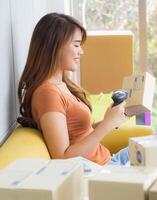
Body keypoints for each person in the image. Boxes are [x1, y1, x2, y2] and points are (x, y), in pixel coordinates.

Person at [17, 13, 130, 166]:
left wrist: (112, 120)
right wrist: (107, 124)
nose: (81, 51)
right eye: (76, 45)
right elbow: (63, 157)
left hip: (110, 161)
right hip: (104, 171)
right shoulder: (47, 93)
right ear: (54, 47)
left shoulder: (62, 84)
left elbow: (81, 134)